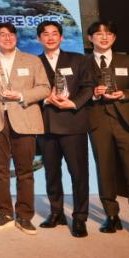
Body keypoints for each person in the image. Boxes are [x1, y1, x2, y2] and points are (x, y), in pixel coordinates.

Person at [85, 21, 129, 242]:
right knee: (104, 170)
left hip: (128, 122)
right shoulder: (82, 63)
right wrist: (93, 93)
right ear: (90, 38)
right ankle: (111, 215)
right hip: (98, 122)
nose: (104, 37)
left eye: (109, 34)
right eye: (99, 34)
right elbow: (76, 91)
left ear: (114, 38)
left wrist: (123, 94)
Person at [0, 22, 50, 235]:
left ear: (16, 37)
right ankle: (4, 214)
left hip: (25, 118)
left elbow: (45, 88)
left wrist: (20, 95)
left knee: (25, 170)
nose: (7, 37)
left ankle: (25, 216)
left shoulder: (32, 60)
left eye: (11, 34)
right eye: (2, 34)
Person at [36, 21, 93, 237]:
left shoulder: (78, 59)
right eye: (45, 34)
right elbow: (30, 90)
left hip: (73, 123)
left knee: (79, 173)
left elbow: (88, 87)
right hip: (46, 125)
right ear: (39, 38)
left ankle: (80, 217)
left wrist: (74, 103)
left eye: (54, 34)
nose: (50, 37)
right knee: (51, 173)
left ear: (61, 37)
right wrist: (45, 99)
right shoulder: (34, 62)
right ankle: (56, 212)